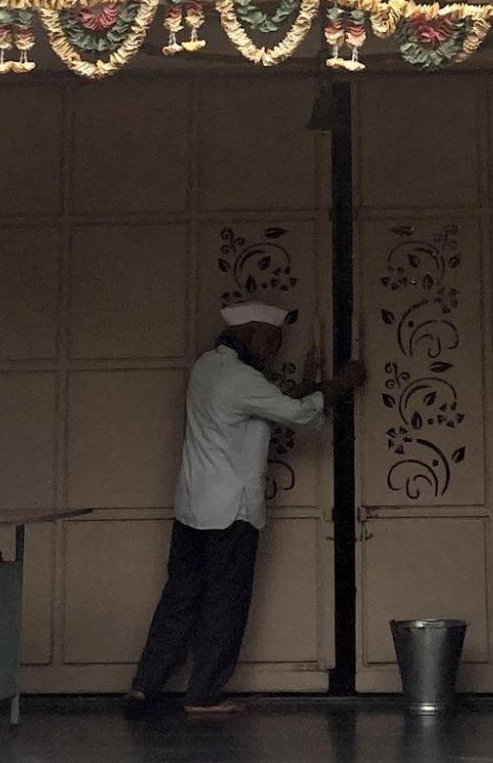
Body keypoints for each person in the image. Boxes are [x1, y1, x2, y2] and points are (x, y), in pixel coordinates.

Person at [128, 299, 365, 718]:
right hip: (230, 512)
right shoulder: (240, 379)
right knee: (225, 601)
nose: (275, 348)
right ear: (251, 333)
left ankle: (145, 686)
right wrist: (340, 383)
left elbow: (270, 402)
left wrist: (307, 385)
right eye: (273, 338)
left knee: (179, 597)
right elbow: (300, 413)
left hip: (192, 507)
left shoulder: (206, 368)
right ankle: (202, 695)